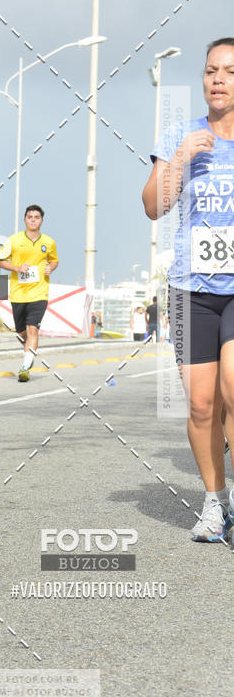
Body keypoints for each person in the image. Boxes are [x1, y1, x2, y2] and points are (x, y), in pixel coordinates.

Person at [142, 37, 234, 543]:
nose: (218, 79)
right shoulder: (182, 133)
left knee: (233, 388)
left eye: (230, 71)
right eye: (211, 71)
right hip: (190, 288)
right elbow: (154, 207)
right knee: (202, 406)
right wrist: (178, 159)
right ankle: (214, 502)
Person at [0, 205, 59, 382]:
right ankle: (28, 350)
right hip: (18, 293)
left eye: (36, 217)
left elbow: (54, 260)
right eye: (30, 217)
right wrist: (17, 267)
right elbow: (1, 262)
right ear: (25, 220)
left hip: (40, 292)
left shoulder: (48, 242)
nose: (33, 219)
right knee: (22, 332)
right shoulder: (13, 240)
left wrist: (50, 268)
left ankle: (25, 367)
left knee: (33, 329)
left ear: (41, 220)